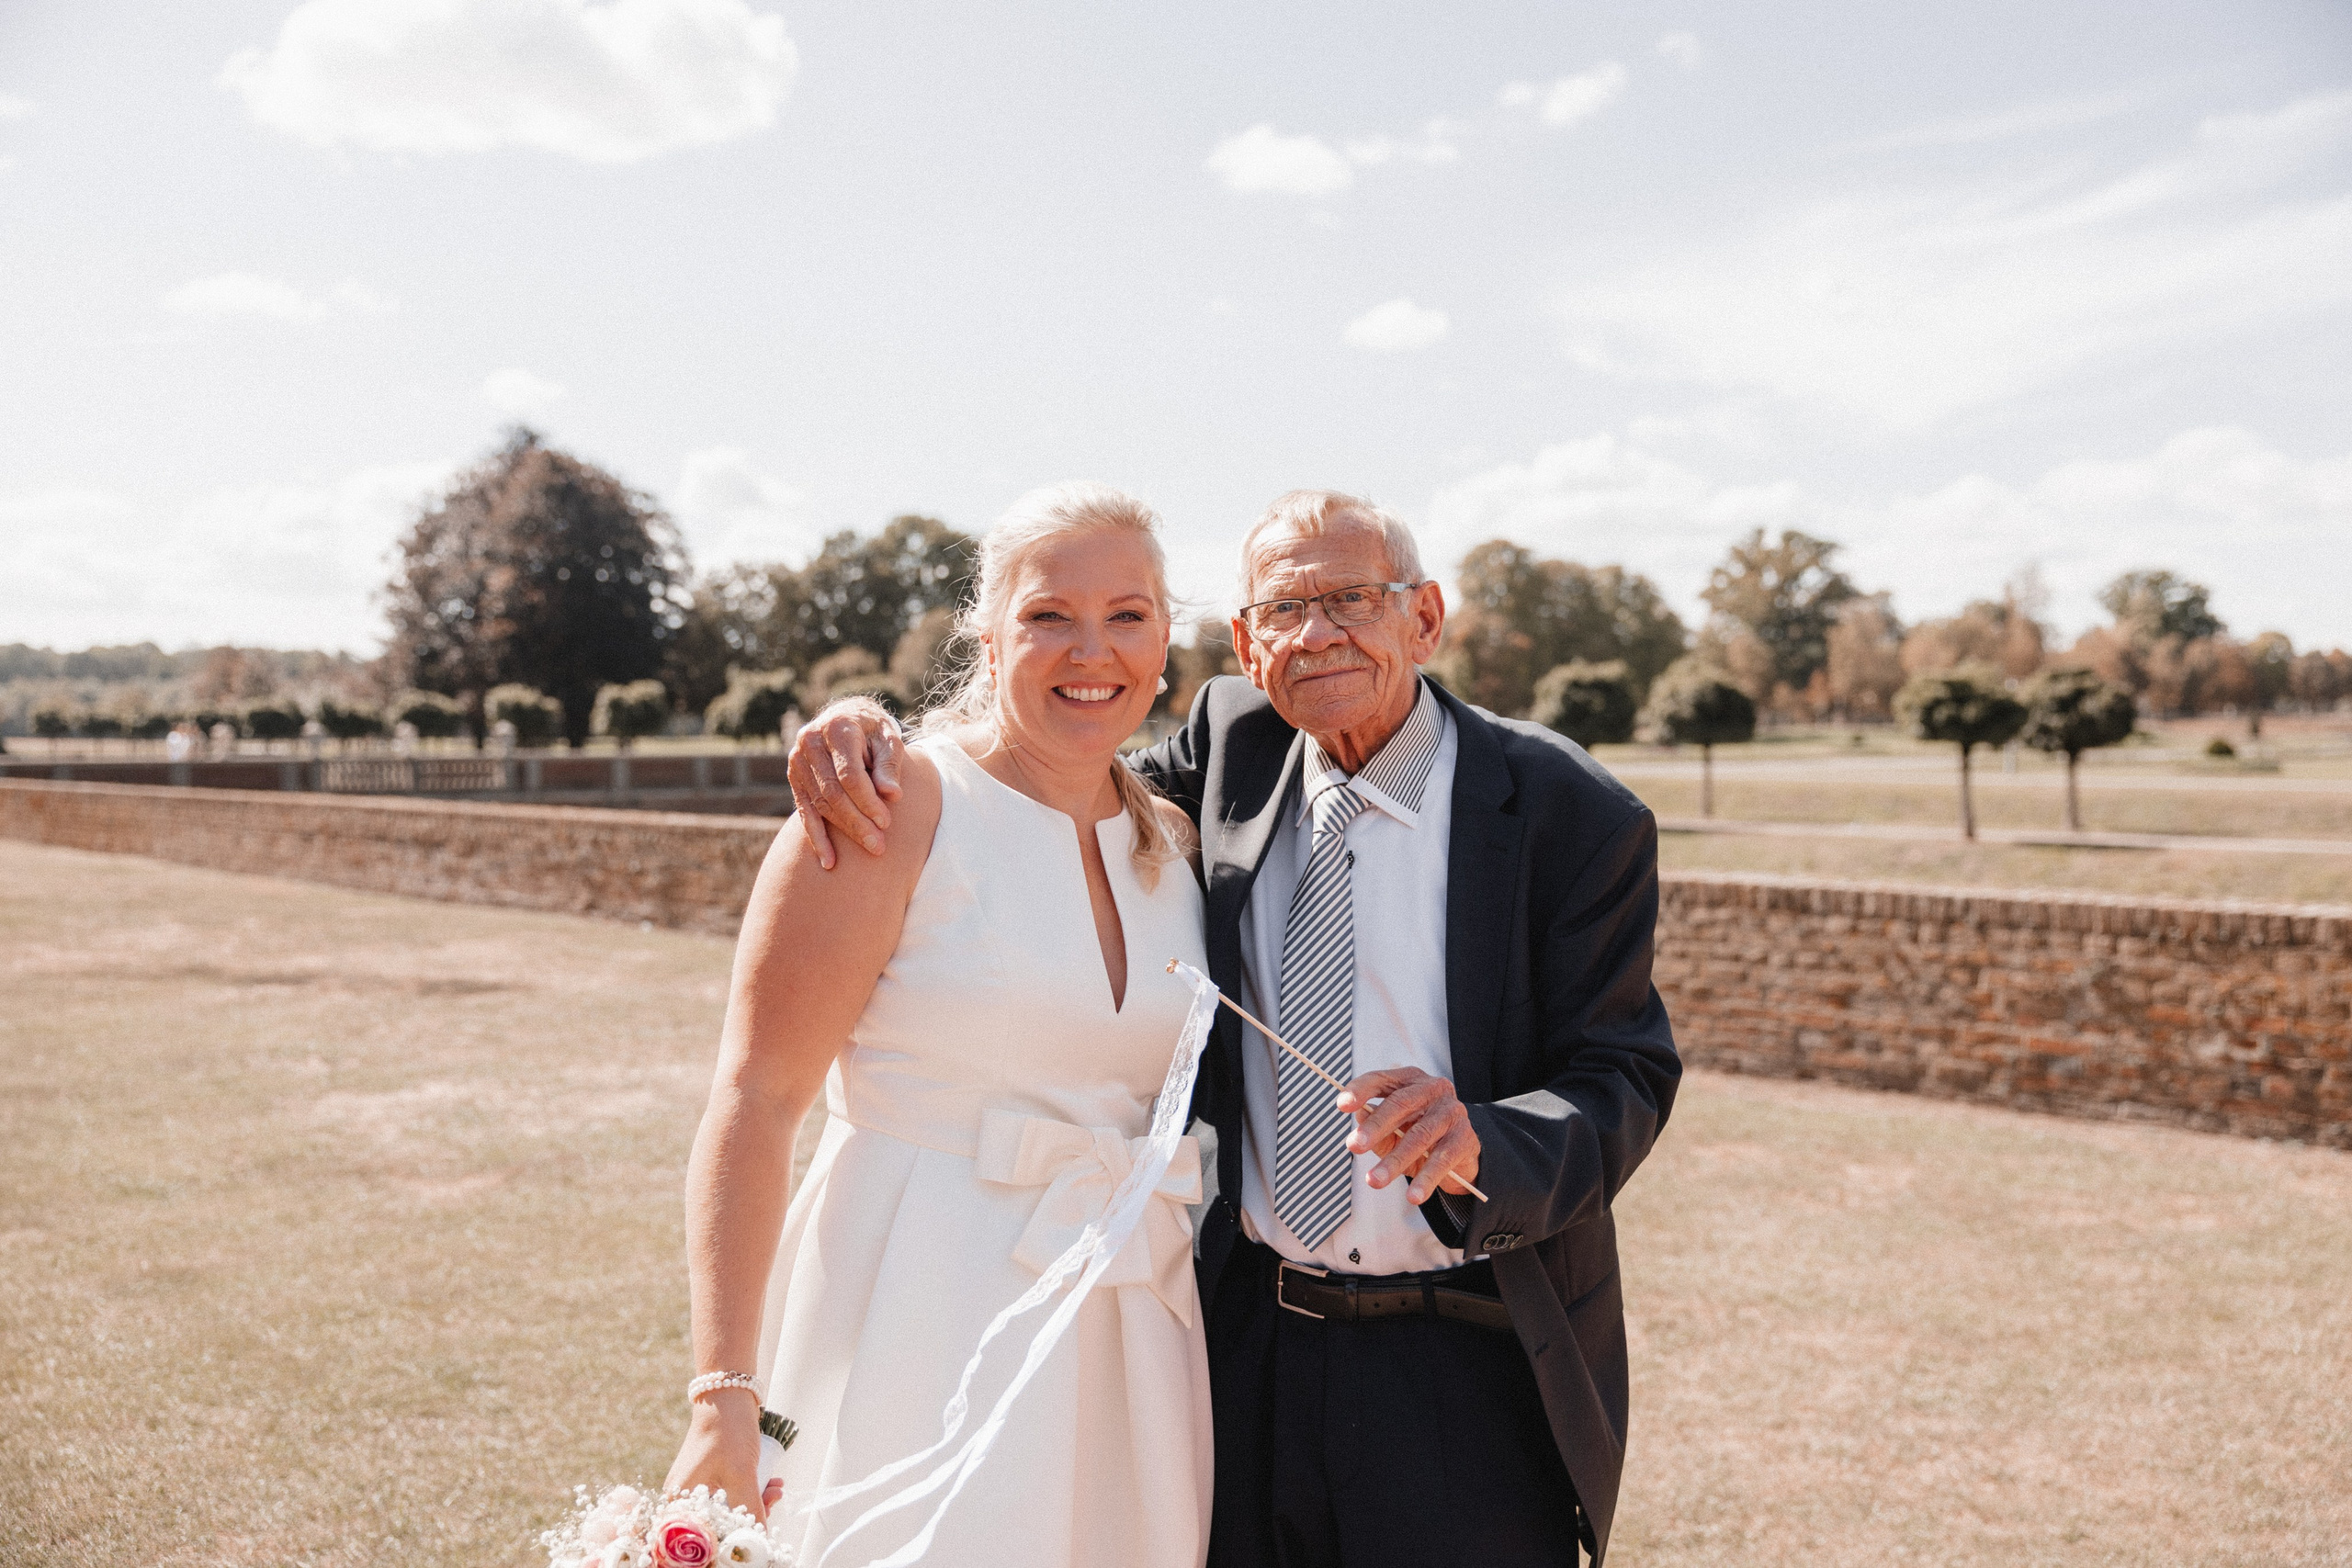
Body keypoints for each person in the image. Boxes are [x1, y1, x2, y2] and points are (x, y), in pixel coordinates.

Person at [792, 490, 1682, 1566]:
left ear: (1425, 618)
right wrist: (875, 731)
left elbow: (1623, 1072)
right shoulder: (1227, 752)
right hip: (1241, 1355)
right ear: (1249, 649)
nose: (1318, 635)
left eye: (1352, 599)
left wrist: (1485, 1139)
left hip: (1466, 1370)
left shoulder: (1570, 812)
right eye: (1282, 612)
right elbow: (1045, 771)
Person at [665, 482, 1215, 1567]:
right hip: (911, 1313)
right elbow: (757, 1098)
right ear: (988, 633)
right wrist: (722, 1391)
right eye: (1048, 615)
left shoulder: (1172, 840)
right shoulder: (891, 802)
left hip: (1129, 1332)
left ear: (1165, 641)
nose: (1091, 649)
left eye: (1128, 614)